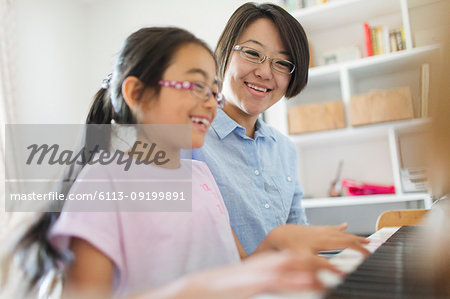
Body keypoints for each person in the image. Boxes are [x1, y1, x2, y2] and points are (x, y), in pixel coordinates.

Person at [2, 26, 348, 299]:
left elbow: (238, 267)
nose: (211, 103)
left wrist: (278, 241)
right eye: (195, 86)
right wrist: (201, 290)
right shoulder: (103, 180)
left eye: (213, 91)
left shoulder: (200, 175)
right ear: (136, 93)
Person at [195, 2, 365, 255]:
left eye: (283, 63)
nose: (264, 72)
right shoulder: (184, 138)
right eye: (252, 54)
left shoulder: (285, 150)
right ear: (223, 54)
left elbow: (300, 236)